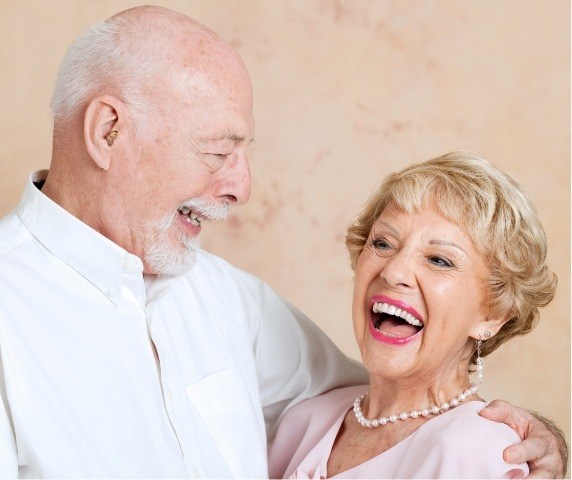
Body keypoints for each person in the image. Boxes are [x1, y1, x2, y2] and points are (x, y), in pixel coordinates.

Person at [0, 5, 565, 478]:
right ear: (108, 132)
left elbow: (392, 397)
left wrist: (534, 439)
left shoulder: (230, 300)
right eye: (218, 153)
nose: (241, 189)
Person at [268, 152, 564, 478]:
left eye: (439, 260)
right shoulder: (304, 421)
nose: (394, 272)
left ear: (493, 315)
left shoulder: (482, 450)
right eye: (383, 243)